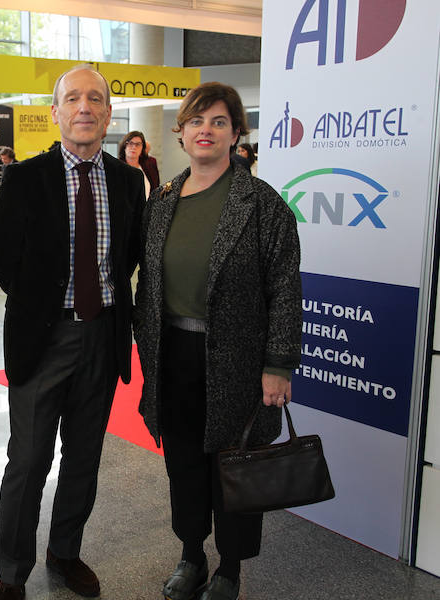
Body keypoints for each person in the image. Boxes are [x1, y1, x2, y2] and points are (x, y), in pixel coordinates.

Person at [132, 82, 301, 600]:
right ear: (181, 133)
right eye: (197, 121)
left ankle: (230, 567)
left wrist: (278, 365)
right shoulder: (161, 201)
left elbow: (285, 287)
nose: (206, 130)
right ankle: (191, 555)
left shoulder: (262, 204)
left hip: (239, 359)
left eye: (219, 122)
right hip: (174, 355)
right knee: (182, 460)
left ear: (236, 135)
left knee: (235, 464)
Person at [0, 64, 146, 600]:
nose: (85, 107)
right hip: (43, 340)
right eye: (73, 98)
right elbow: (3, 259)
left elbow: (128, 258)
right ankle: (12, 572)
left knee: (84, 456)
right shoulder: (26, 178)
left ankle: (65, 551)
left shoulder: (127, 182)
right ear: (55, 113)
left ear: (107, 113)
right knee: (29, 460)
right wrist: (43, 306)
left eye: (95, 98)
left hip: (102, 337)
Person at [117, 130, 151, 199]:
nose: (134, 147)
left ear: (142, 148)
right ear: (124, 146)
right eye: (130, 143)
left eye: (138, 144)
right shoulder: (117, 168)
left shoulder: (149, 167)